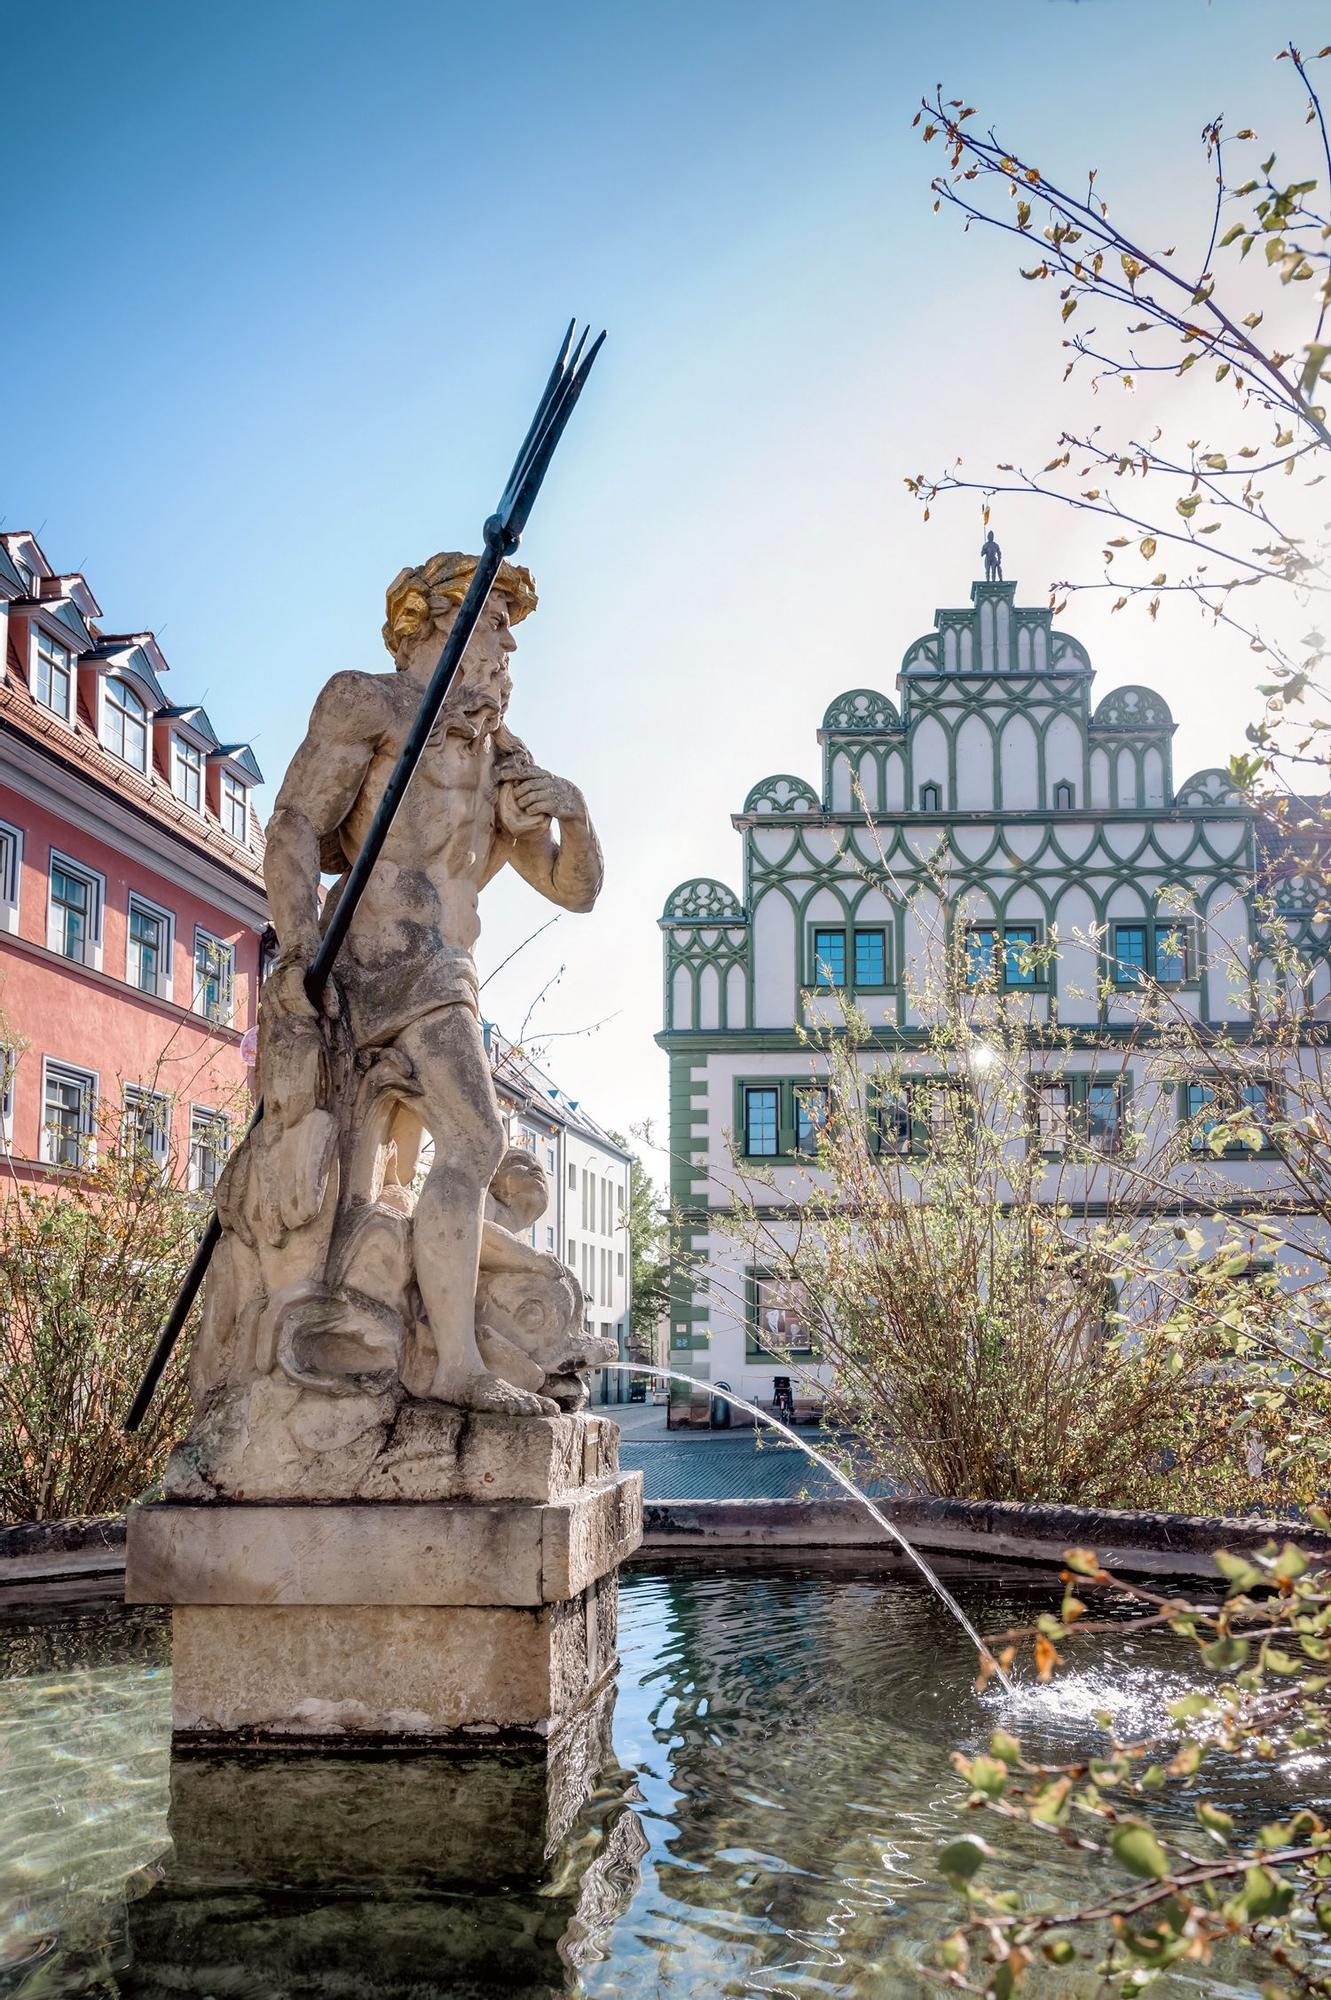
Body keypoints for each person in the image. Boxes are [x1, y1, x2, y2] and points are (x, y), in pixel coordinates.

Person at [260, 551, 604, 1413]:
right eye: (493, 627)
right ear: (435, 623)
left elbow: (576, 890)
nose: (506, 654)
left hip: (450, 976)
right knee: (474, 1143)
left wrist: (574, 809)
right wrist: (298, 951)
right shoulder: (367, 703)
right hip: (378, 960)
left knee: (403, 1176)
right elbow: (297, 827)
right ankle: (450, 1366)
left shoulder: (501, 755)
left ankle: (406, 1341)